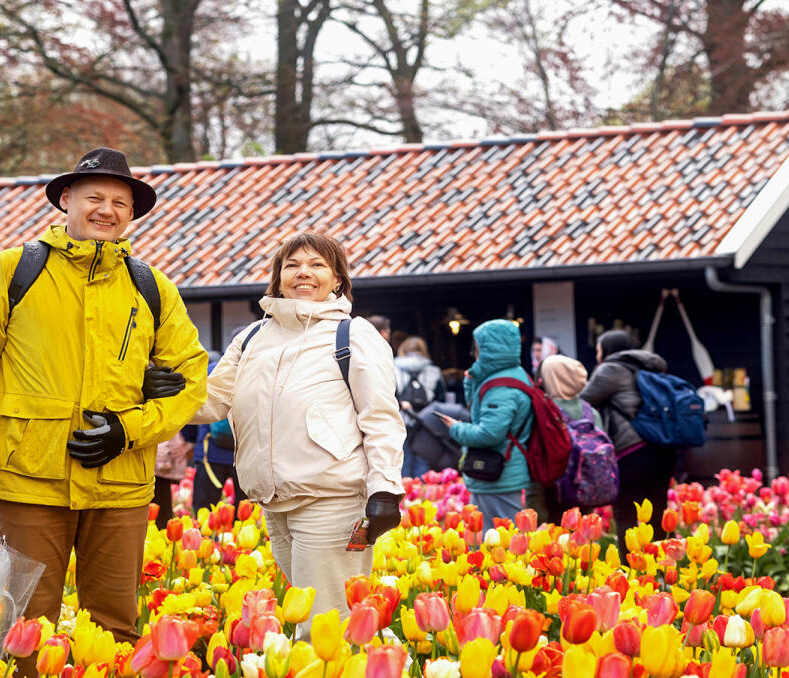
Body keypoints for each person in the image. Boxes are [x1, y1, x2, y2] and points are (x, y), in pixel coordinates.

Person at [0, 147, 207, 670]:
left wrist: (129, 429)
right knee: (25, 626)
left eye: (120, 202)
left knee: (114, 626)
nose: (107, 210)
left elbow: (191, 379)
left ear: (132, 213)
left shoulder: (151, 287)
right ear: (67, 199)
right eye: (94, 198)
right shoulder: (12, 272)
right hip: (28, 478)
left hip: (121, 483)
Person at [193, 232, 403, 633]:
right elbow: (211, 401)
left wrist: (385, 490)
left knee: (324, 627)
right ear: (278, 278)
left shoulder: (353, 335)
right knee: (315, 622)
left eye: (317, 265)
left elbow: (380, 418)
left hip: (332, 500)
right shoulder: (251, 338)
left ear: (337, 279)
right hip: (275, 503)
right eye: (292, 265)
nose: (303, 273)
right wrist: (158, 390)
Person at [437, 320, 540, 531]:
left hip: (498, 475)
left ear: (488, 349)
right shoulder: (512, 375)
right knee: (496, 538)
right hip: (499, 472)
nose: (473, 352)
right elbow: (481, 413)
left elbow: (489, 434)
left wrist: (456, 428)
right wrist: (472, 382)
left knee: (501, 540)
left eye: (477, 347)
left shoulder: (501, 388)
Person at [580, 329, 670, 548]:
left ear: (608, 350)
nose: (597, 356)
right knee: (658, 513)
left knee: (626, 512)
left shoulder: (610, 369)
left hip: (632, 449)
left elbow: (583, 401)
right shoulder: (650, 366)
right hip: (663, 449)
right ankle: (665, 565)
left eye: (599, 350)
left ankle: (630, 568)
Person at [540, 354, 605, 514]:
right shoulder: (591, 412)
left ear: (553, 379)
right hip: (586, 489)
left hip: (554, 492)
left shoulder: (546, 411)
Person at [192, 346, 248, 513]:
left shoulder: (213, 370)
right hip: (244, 454)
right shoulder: (256, 370)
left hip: (210, 453)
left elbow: (194, 407)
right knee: (245, 511)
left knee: (205, 510)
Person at [394, 335, 446, 478]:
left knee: (403, 460)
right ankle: (422, 490)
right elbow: (441, 399)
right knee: (423, 460)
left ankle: (405, 490)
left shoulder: (392, 368)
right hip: (426, 422)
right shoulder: (434, 371)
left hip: (401, 420)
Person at [152, 426, 195, 529]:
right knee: (161, 501)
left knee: (160, 500)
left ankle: (160, 530)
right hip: (163, 461)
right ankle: (162, 530)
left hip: (159, 464)